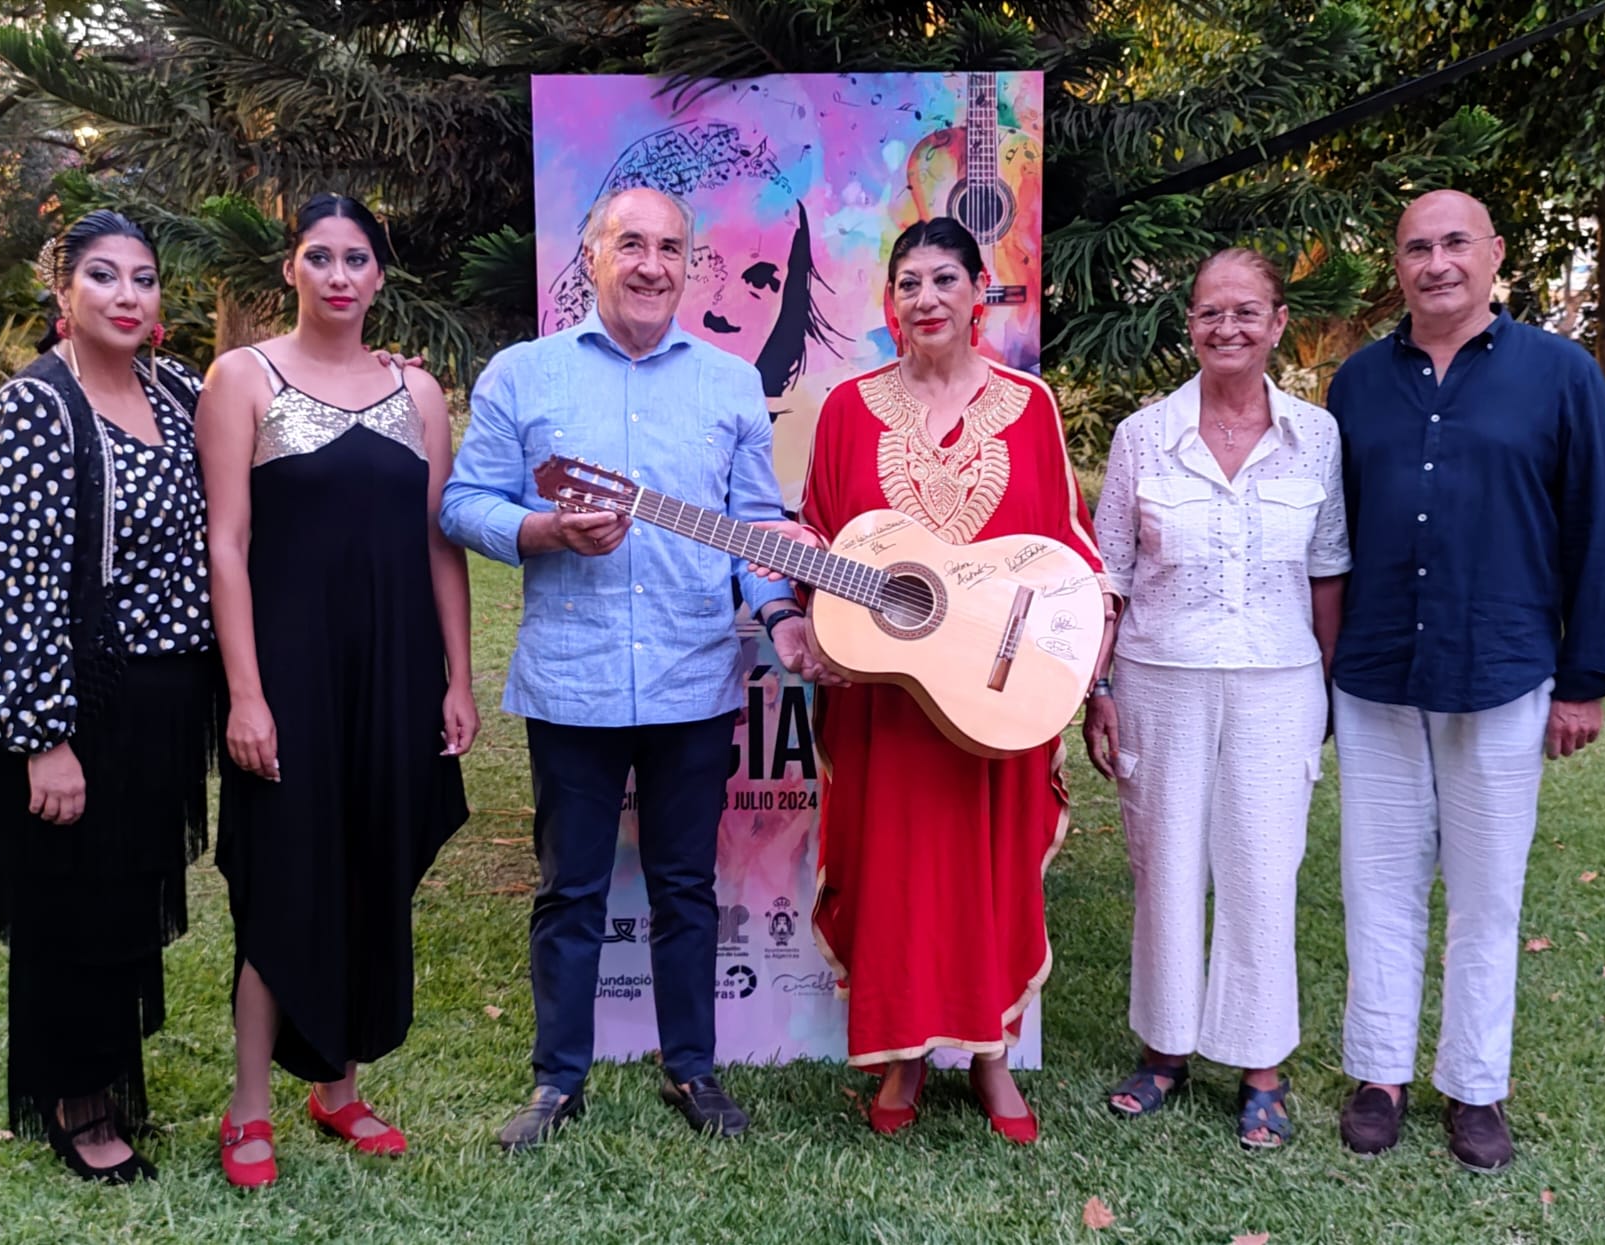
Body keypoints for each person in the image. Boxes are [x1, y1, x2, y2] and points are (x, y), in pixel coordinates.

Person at [440, 186, 811, 1152]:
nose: (652, 264)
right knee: (571, 889)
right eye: (631, 244)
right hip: (574, 677)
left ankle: (692, 1069)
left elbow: (756, 525)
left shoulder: (730, 384)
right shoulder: (523, 375)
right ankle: (558, 1080)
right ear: (592, 257)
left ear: (690, 265)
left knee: (688, 888)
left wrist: (776, 609)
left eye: (671, 249)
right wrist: (540, 528)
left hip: (696, 675)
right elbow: (463, 502)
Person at [779, 216, 1114, 1144]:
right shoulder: (846, 409)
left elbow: (1069, 549)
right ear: (891, 302)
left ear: (978, 292)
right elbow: (819, 534)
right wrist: (805, 585)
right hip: (888, 700)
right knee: (893, 873)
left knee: (991, 868)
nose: (925, 299)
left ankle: (993, 1058)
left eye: (943, 280)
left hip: (996, 695)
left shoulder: (1029, 404)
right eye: (908, 283)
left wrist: (1080, 661)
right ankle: (899, 1060)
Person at [1326, 190, 1605, 1171]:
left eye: (1453, 243)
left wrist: (1580, 681)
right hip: (1375, 675)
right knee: (1375, 887)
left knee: (1484, 897)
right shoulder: (1356, 385)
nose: (1435, 263)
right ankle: (1378, 1074)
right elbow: (1330, 535)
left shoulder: (1559, 375)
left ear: (1493, 254)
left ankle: (1474, 1088)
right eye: (1415, 247)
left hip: (1501, 671)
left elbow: (1600, 530)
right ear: (1397, 264)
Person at [199, 194, 477, 1188]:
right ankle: (247, 1110)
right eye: (318, 256)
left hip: (395, 673)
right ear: (291, 269)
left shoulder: (419, 393)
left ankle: (340, 1089)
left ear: (379, 275)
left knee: (368, 866)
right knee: (281, 873)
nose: (338, 275)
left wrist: (458, 678)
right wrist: (245, 694)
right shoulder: (243, 378)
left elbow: (438, 544)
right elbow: (225, 547)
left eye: (356, 258)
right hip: (288, 674)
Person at [0, 210, 218, 1184]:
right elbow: (4, 584)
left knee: (128, 896)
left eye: (143, 279)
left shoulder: (176, 391)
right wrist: (40, 739)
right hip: (74, 708)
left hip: (162, 703)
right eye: (102, 277)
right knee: (73, 903)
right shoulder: (35, 409)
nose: (126, 296)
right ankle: (75, 1101)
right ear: (60, 291)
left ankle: (109, 1076)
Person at [1087, 248, 1349, 1149]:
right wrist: (1099, 685)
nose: (1226, 328)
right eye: (1209, 313)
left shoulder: (1315, 435)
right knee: (1163, 864)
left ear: (1278, 323)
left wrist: (1328, 683)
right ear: (1188, 325)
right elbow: (1109, 575)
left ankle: (1261, 1064)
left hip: (1280, 684)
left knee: (1262, 869)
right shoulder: (1142, 437)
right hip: (1161, 678)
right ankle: (1164, 1050)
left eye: (1246, 311)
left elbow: (1328, 570)